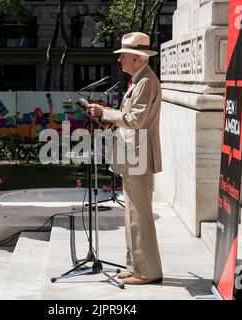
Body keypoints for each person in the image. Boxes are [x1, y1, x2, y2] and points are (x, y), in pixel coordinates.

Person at [88, 32, 163, 285]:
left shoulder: (145, 82)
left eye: (122, 56)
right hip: (133, 155)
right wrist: (106, 118)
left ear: (135, 57)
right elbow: (130, 119)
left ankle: (147, 271)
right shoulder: (140, 81)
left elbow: (135, 120)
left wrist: (106, 113)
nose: (120, 61)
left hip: (138, 156)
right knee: (133, 214)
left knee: (139, 215)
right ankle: (135, 266)